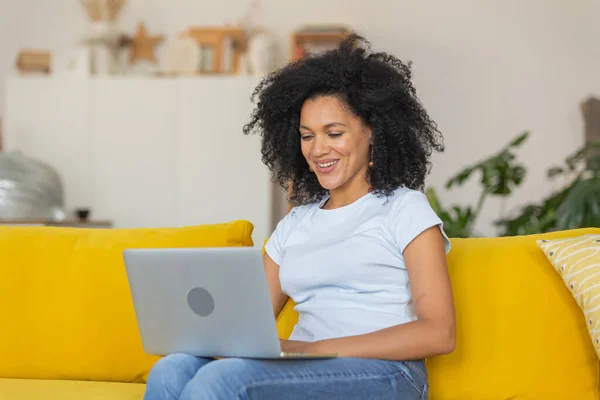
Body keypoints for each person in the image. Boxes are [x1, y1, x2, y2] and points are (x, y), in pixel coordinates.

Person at [144, 33, 455, 400]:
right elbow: (246, 324)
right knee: (173, 368)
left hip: (388, 373)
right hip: (301, 371)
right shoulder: (295, 225)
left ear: (372, 133)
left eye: (334, 133)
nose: (318, 149)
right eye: (307, 136)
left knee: (223, 381)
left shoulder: (404, 208)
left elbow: (439, 333)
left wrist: (311, 349)